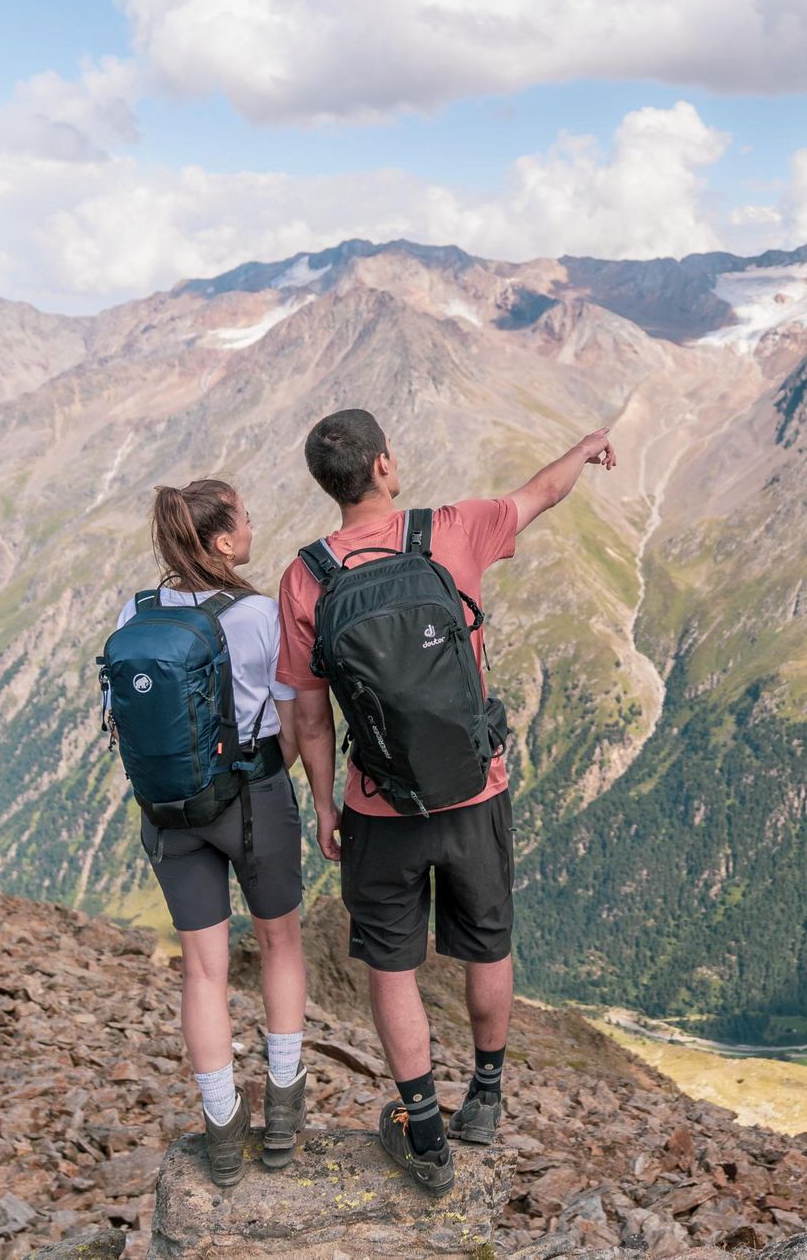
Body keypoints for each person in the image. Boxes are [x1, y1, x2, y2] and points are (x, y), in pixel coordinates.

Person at [278, 409, 616, 1195]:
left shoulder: (307, 577)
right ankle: (487, 1097)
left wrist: (325, 807)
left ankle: (424, 1134)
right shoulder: (451, 532)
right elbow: (540, 494)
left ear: (328, 487)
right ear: (385, 467)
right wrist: (583, 447)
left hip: (377, 805)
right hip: (474, 791)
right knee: (486, 945)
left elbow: (309, 712)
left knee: (393, 968)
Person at [115, 481, 309, 1187]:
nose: (255, 524)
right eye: (246, 517)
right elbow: (291, 724)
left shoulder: (135, 613)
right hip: (252, 797)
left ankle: (223, 1134)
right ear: (224, 541)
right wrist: (269, 779)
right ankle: (284, 1116)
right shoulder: (259, 614)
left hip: (167, 812)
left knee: (204, 970)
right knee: (280, 943)